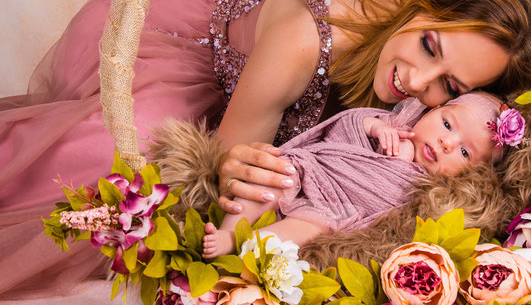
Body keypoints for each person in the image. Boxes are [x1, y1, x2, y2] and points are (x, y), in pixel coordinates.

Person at [0, 0, 531, 305]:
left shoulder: (425, 105)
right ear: (420, 11)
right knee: (122, 169)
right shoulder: (308, 42)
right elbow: (225, 172)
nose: (417, 80)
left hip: (249, 94)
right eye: (428, 46)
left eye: (450, 86)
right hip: (170, 44)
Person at [202, 92, 510, 258]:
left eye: (465, 153)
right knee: (271, 174)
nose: (446, 142)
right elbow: (343, 128)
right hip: (312, 170)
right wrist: (375, 127)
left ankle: (251, 250)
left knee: (310, 232)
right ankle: (230, 231)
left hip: (333, 211)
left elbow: (392, 215)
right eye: (447, 123)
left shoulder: (430, 190)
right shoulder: (395, 122)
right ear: (433, 109)